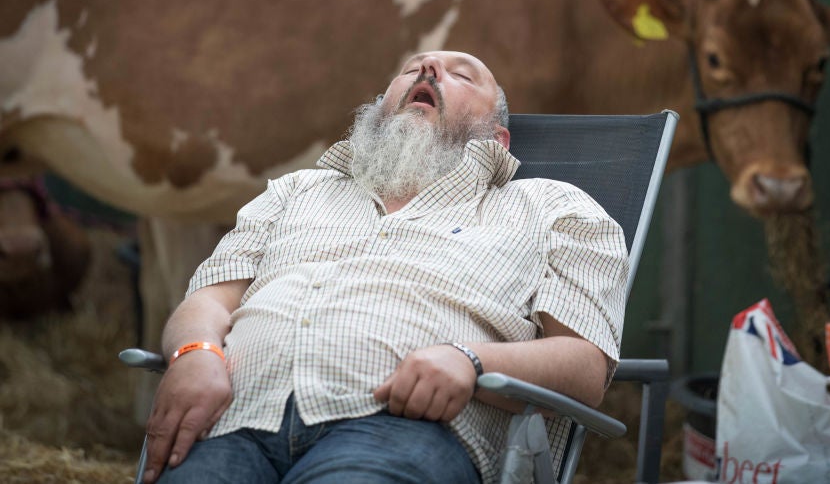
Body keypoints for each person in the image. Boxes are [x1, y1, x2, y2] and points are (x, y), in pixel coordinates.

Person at [143, 50, 629, 484]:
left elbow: (586, 365)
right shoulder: (298, 190)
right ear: (379, 108)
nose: (429, 69)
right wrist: (195, 351)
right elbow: (208, 298)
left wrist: (471, 360)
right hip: (233, 417)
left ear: (498, 138)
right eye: (411, 68)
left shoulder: (552, 208)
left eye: (462, 74)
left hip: (403, 428)